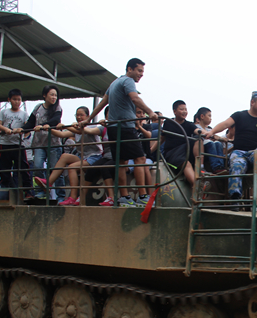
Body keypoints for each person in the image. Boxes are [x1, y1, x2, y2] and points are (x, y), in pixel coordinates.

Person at [81, 58, 158, 207]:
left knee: (122, 162)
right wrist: (150, 112)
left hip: (114, 128)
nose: (141, 74)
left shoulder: (114, 82)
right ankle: (142, 196)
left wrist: (89, 119)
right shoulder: (128, 81)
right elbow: (135, 98)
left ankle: (124, 198)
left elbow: (103, 102)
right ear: (130, 69)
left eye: (143, 71)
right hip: (125, 127)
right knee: (140, 159)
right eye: (139, 71)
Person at [203, 91, 257, 208]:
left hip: (256, 150)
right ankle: (235, 198)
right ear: (252, 102)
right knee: (236, 165)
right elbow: (225, 124)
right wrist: (211, 132)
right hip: (239, 151)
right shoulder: (239, 116)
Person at [33, 107, 104, 206]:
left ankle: (73, 197)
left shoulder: (92, 127)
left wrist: (66, 126)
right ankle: (49, 182)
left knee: (72, 167)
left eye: (81, 115)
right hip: (83, 157)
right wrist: (48, 129)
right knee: (65, 156)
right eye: (77, 115)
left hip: (94, 157)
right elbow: (62, 135)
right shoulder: (75, 129)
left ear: (88, 117)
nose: (79, 117)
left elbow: (81, 131)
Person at [24, 85, 65, 201]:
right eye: (52, 94)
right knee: (37, 166)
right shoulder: (38, 107)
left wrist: (43, 125)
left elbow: (55, 120)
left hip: (53, 143)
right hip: (39, 143)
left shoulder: (57, 108)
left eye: (56, 95)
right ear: (44, 95)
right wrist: (21, 129)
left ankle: (61, 196)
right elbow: (30, 123)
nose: (54, 97)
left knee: (55, 170)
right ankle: (41, 192)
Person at [0, 88, 32, 195]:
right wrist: (6, 130)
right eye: (14, 99)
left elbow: (27, 126)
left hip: (18, 144)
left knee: (23, 167)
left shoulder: (24, 114)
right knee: (4, 168)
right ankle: (5, 189)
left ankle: (28, 190)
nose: (17, 102)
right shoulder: (4, 112)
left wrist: (23, 131)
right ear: (9, 100)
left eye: (19, 100)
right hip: (5, 143)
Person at [161, 100, 203, 187]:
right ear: (174, 111)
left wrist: (208, 134)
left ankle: (200, 167)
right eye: (181, 109)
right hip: (173, 153)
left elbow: (198, 131)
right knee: (186, 164)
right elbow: (161, 139)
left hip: (185, 151)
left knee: (198, 139)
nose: (184, 112)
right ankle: (197, 187)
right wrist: (151, 151)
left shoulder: (189, 124)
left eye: (186, 109)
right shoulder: (168, 123)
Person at [195, 107, 228, 174]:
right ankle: (215, 167)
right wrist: (213, 136)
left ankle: (221, 166)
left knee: (218, 143)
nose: (211, 118)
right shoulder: (196, 127)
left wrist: (222, 139)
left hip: (210, 145)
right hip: (203, 147)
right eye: (209, 116)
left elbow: (215, 135)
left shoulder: (209, 129)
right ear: (202, 116)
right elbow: (210, 135)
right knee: (211, 144)